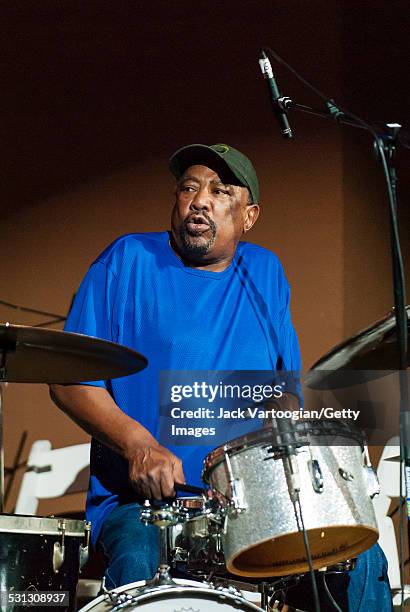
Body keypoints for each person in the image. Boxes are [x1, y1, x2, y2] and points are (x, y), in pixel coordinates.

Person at [50, 143, 392, 611]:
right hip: (149, 508)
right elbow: (69, 380)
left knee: (359, 559)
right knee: (141, 564)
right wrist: (138, 444)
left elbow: (282, 391)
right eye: (189, 187)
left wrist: (283, 425)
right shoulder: (127, 260)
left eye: (220, 191)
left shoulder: (265, 272)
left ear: (249, 216)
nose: (201, 200)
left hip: (249, 508)